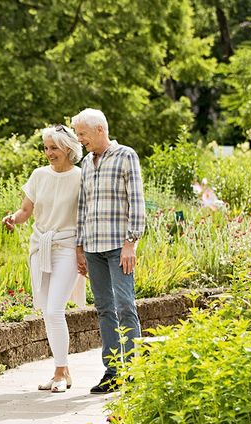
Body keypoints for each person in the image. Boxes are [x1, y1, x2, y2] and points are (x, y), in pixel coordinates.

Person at [3, 124, 85, 393]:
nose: (49, 153)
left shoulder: (80, 177)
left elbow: (85, 217)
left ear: (69, 149)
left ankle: (61, 373)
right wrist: (14, 218)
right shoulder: (39, 175)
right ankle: (62, 370)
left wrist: (83, 250)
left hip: (67, 248)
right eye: (46, 148)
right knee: (48, 313)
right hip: (42, 248)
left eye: (54, 148)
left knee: (53, 310)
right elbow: (26, 210)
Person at [71, 108, 146, 394]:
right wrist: (79, 247)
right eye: (78, 135)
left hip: (118, 247)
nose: (80, 140)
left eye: (83, 134)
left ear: (100, 130)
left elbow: (136, 203)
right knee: (103, 308)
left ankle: (133, 370)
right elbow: (83, 207)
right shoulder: (87, 164)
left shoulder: (126, 156)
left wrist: (131, 243)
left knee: (125, 306)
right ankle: (113, 371)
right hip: (93, 246)